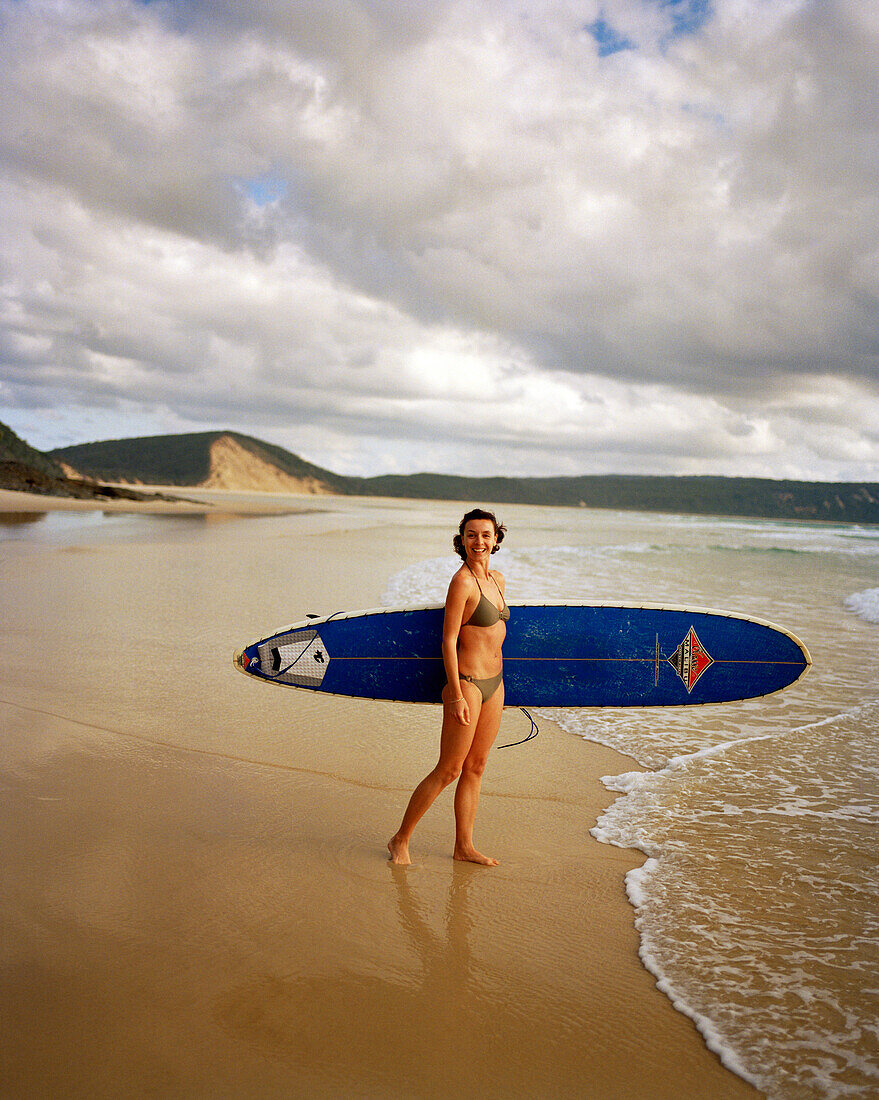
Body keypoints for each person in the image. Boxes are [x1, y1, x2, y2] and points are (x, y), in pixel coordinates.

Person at [388, 508, 509, 866]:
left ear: (496, 539)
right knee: (449, 769)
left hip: (496, 684)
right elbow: (448, 640)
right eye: (472, 535)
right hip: (468, 684)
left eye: (485, 535)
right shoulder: (463, 582)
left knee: (477, 767)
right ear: (462, 540)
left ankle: (464, 847)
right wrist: (455, 694)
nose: (479, 541)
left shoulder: (498, 580)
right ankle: (400, 839)